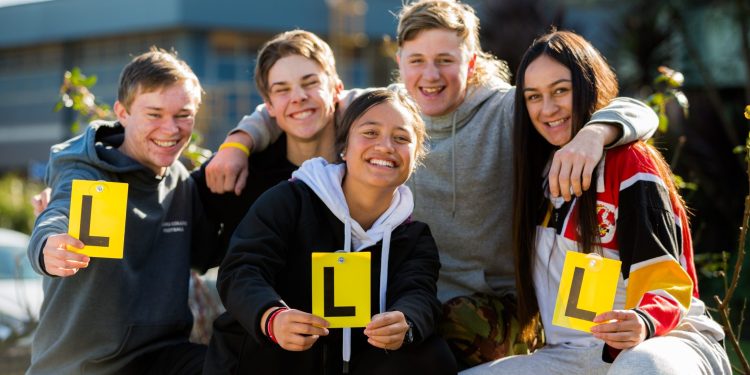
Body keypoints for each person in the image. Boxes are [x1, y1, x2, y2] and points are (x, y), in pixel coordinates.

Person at [204, 0, 658, 367]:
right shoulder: (383, 113)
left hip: (483, 304)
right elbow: (295, 102)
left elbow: (634, 110)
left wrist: (595, 134)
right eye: (417, 60)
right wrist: (238, 142)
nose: (431, 75)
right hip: (393, 299)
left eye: (446, 60)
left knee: (439, 338)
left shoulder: (509, 111)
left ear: (472, 61)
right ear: (399, 61)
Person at [462, 30, 730, 375]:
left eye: (561, 90)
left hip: (663, 341)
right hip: (574, 355)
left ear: (588, 86)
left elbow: (668, 283)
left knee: (640, 366)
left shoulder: (630, 163)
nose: (547, 109)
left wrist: (645, 320)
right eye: (533, 97)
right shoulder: (537, 176)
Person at [203, 88, 457, 375]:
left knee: (431, 354)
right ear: (344, 147)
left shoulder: (413, 236)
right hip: (271, 358)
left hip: (356, 361)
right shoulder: (290, 200)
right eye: (370, 133)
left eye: (401, 138)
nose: (386, 146)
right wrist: (272, 317)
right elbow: (241, 270)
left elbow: (419, 293)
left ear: (415, 157)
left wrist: (406, 321)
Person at [27, 48, 220, 375]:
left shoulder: (179, 181)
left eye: (183, 115)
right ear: (123, 112)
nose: (171, 129)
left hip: (163, 354)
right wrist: (48, 246)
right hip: (83, 365)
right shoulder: (92, 175)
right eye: (154, 114)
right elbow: (60, 210)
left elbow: (207, 253)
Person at [192, 29, 345, 252]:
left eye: (310, 83)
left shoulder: (366, 172)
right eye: (282, 89)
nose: (298, 97)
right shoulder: (241, 173)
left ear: (336, 90)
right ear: (269, 106)